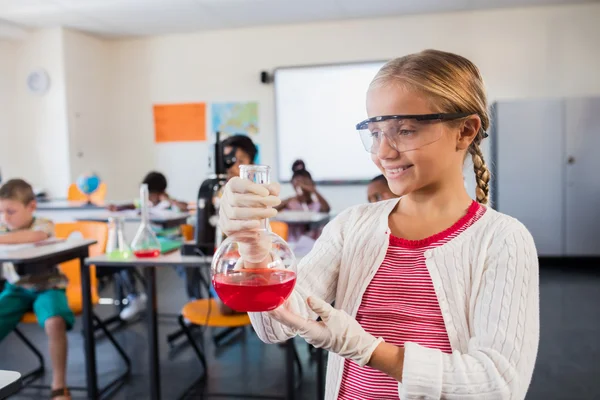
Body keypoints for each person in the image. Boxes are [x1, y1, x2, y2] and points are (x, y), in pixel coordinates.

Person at [219, 49, 539, 399]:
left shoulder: (502, 240)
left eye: (405, 130)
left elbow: (499, 385)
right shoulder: (352, 227)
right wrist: (252, 244)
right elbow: (274, 326)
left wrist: (370, 350)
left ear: (464, 130)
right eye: (374, 133)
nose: (382, 152)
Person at [0, 179, 72, 400]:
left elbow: (36, 236)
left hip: (47, 286)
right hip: (16, 290)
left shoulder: (43, 224)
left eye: (11, 211)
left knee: (54, 322)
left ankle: (58, 385)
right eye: (1, 211)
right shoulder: (3, 228)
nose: (5, 217)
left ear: (31, 206)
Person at [107, 171, 188, 321]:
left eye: (151, 194)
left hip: (172, 242)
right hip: (151, 243)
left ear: (161, 193)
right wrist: (116, 208)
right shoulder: (146, 203)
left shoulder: (170, 204)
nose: (148, 198)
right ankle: (134, 297)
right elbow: (131, 205)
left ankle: (194, 299)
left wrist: (169, 200)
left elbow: (185, 208)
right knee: (123, 259)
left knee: (188, 266)